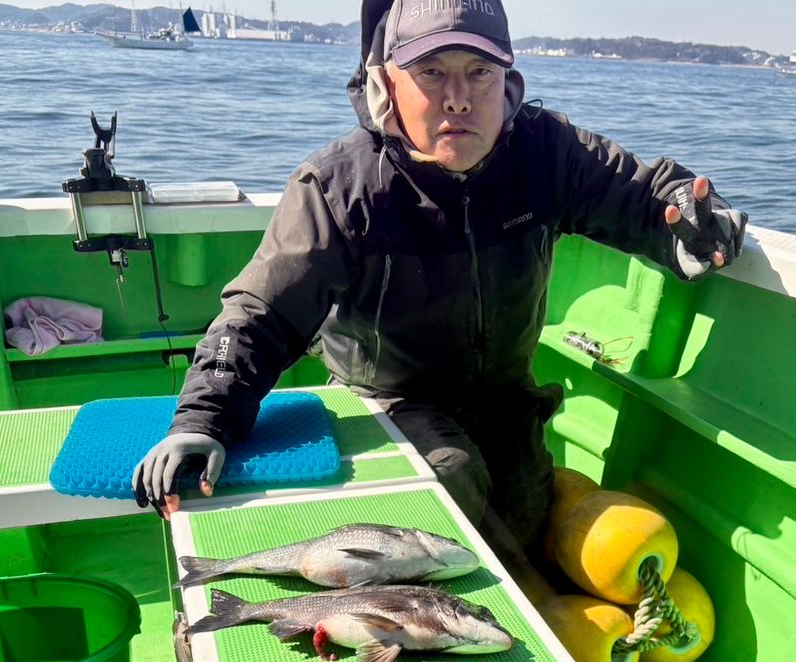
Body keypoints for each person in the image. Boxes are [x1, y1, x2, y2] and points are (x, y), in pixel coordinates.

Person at [133, 0, 746, 568]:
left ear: (508, 84)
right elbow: (262, 311)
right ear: (386, 83)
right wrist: (202, 420)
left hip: (505, 399)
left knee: (521, 514)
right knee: (450, 478)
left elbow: (640, 194)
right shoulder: (342, 188)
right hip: (390, 399)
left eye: (479, 72)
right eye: (431, 72)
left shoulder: (546, 153)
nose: (458, 99)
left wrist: (689, 222)